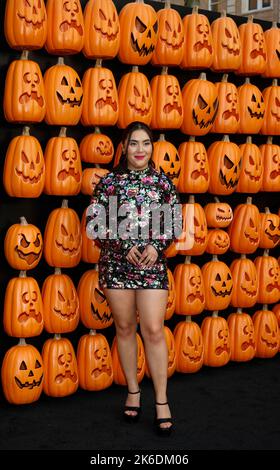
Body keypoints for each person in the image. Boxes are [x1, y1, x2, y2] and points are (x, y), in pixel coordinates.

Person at [86, 121, 181, 436]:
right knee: (125, 328)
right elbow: (94, 225)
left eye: (146, 143)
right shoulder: (110, 183)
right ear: (123, 147)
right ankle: (133, 391)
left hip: (152, 265)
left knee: (153, 329)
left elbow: (175, 223)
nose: (140, 150)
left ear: (152, 147)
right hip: (116, 264)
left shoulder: (161, 183)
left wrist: (156, 246)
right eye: (134, 143)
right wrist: (123, 246)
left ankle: (162, 401)